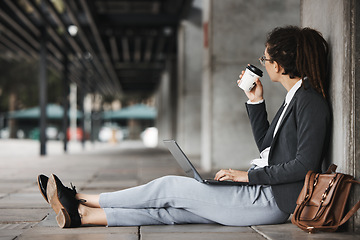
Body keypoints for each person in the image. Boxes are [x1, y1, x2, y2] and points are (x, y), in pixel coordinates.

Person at [37, 25, 331, 228]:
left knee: (169, 186)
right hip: (264, 193)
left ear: (278, 66)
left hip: (272, 200)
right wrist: (255, 102)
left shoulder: (310, 102)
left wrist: (247, 176)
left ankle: (77, 197)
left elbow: (303, 166)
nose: (263, 64)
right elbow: (268, 147)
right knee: (173, 211)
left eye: (265, 59)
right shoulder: (295, 97)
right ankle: (82, 217)